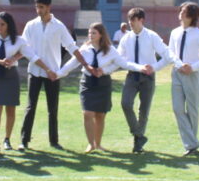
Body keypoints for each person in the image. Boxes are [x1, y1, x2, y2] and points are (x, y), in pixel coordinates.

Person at [58, 23, 142, 153]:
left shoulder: (110, 50)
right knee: (87, 113)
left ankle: (98, 144)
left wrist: (141, 68)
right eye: (89, 33)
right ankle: (90, 144)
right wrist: (58, 74)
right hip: (87, 82)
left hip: (103, 84)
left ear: (101, 35)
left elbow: (123, 63)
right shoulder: (84, 49)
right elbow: (72, 63)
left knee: (100, 115)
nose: (90, 35)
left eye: (94, 33)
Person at [0, 12, 57, 154]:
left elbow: (32, 56)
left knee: (11, 108)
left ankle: (7, 139)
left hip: (11, 76)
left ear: (9, 25)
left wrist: (47, 69)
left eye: (2, 24)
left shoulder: (18, 40)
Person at [20, 0, 86, 151]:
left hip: (53, 74)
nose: (38, 10)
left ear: (49, 7)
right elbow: (24, 48)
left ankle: (54, 141)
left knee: (52, 108)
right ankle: (24, 140)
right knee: (30, 107)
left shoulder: (59, 26)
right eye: (37, 7)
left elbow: (71, 46)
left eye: (41, 7)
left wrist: (85, 63)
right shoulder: (31, 25)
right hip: (35, 71)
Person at [117, 8, 172, 154]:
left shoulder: (152, 36)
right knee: (125, 103)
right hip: (132, 75)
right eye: (129, 20)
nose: (130, 23)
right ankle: (139, 135)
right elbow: (120, 59)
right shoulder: (126, 38)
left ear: (141, 20)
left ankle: (138, 143)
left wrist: (154, 67)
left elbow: (167, 56)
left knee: (144, 110)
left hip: (148, 77)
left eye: (133, 20)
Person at [168, 2, 199, 156]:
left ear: (192, 15)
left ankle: (190, 146)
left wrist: (193, 67)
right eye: (181, 10)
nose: (181, 12)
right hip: (177, 72)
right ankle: (192, 143)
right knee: (177, 108)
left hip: (192, 74)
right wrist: (179, 65)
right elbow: (171, 53)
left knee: (193, 109)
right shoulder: (175, 32)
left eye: (185, 11)